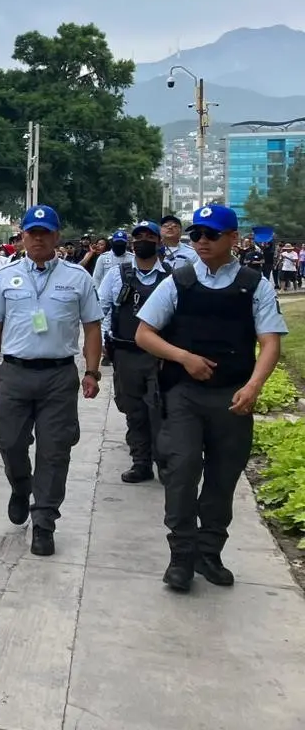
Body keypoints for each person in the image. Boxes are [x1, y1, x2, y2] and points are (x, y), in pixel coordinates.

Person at [134, 205, 289, 593]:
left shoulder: (255, 285)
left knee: (222, 479)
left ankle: (209, 552)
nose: (201, 242)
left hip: (233, 396)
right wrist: (183, 357)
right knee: (182, 473)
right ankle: (181, 556)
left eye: (211, 235)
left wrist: (253, 387)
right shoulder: (179, 282)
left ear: (233, 239)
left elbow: (270, 343)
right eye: (196, 235)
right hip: (184, 395)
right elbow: (144, 334)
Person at [0, 205, 102, 557]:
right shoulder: (6, 275)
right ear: (21, 235)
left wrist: (92, 371)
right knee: (10, 441)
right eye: (31, 232)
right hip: (15, 373)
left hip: (59, 376)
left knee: (54, 450)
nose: (37, 238)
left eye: (44, 232)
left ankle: (44, 520)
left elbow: (93, 327)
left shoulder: (78, 277)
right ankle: (21, 486)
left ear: (56, 236)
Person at [99, 221, 171, 483]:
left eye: (149, 236)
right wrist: (106, 342)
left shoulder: (172, 276)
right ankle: (141, 463)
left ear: (159, 242)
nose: (143, 241)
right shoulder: (118, 274)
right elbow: (102, 308)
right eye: (138, 236)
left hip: (161, 357)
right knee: (135, 412)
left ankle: (164, 464)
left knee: (160, 410)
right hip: (126, 353)